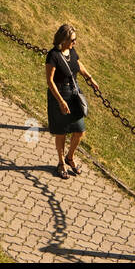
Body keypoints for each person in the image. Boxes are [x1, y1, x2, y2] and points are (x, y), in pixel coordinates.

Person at [46, 23, 98, 179]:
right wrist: (61, 101)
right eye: (73, 40)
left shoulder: (72, 51)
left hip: (74, 95)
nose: (75, 43)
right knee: (61, 132)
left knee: (80, 130)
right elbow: (50, 81)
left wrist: (90, 78)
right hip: (59, 96)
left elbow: (78, 64)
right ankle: (61, 162)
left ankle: (70, 157)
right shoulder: (53, 56)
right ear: (64, 40)